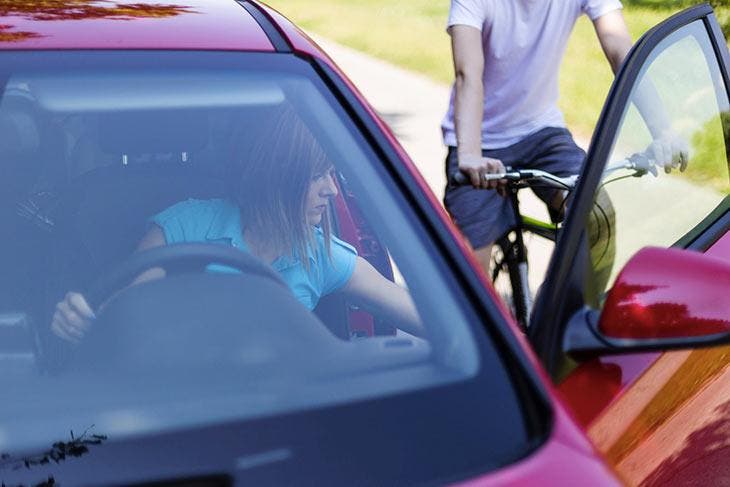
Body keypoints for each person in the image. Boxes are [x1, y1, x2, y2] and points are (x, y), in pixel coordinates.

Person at [51, 107, 423, 342]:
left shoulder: (319, 254)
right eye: (317, 176)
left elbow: (427, 317)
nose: (331, 191)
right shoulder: (185, 226)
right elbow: (116, 317)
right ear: (280, 175)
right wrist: (78, 319)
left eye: (332, 175)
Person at [442, 0, 687, 275]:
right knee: (470, 277)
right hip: (478, 142)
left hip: (541, 132)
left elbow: (621, 51)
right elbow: (468, 74)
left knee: (597, 217)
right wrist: (471, 154)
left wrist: (663, 130)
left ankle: (559, 314)